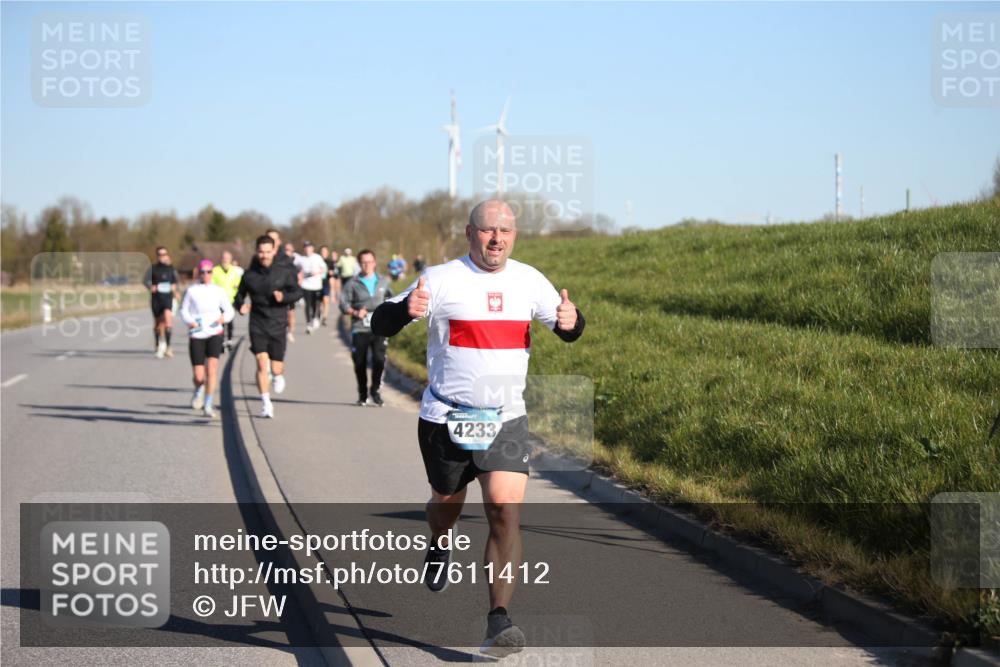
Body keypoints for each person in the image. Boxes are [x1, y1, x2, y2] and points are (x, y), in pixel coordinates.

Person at [371, 199, 585, 658]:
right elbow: (379, 321)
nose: (496, 240)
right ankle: (440, 539)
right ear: (469, 233)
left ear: (515, 235)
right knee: (445, 505)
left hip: (505, 417)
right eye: (487, 231)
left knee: (504, 510)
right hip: (446, 416)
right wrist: (407, 309)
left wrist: (572, 322)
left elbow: (567, 327)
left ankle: (498, 620)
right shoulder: (441, 278)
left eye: (505, 231)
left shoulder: (529, 280)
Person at [234, 235, 303, 418]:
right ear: (256, 252)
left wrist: (284, 298)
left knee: (276, 367)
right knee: (261, 363)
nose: (264, 256)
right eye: (261, 252)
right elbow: (239, 296)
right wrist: (240, 306)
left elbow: (297, 292)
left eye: (267, 252)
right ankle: (266, 403)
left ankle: (278, 375)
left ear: (273, 251)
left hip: (278, 323)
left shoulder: (284, 272)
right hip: (258, 323)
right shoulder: (249, 275)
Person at [180, 259, 235, 418]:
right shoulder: (192, 291)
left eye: (209, 271)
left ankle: (208, 404)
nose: (206, 274)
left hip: (215, 333)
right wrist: (189, 322)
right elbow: (184, 310)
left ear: (212, 273)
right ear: (198, 273)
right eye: (203, 271)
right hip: (197, 334)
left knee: (212, 369)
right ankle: (199, 389)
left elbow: (229, 311)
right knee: (199, 375)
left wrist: (222, 319)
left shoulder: (218, 291)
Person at [340, 249, 393, 406]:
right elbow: (343, 304)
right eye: (363, 262)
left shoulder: (384, 281)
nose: (367, 265)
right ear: (359, 264)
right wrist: (355, 311)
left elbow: (392, 300)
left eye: (370, 262)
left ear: (375, 263)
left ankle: (375, 391)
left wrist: (388, 313)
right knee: (359, 362)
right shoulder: (352, 283)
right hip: (359, 327)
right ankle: (362, 393)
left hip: (380, 328)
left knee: (379, 360)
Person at [143, 246, 182, 358]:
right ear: (157, 256)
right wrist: (151, 287)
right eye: (160, 254)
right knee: (158, 323)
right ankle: (157, 342)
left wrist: (175, 291)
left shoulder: (171, 269)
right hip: (156, 299)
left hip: (167, 298)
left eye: (164, 254)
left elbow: (175, 283)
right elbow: (145, 281)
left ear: (167, 255)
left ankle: (168, 347)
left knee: (168, 318)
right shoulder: (153, 268)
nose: (162, 256)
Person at [211, 250, 243, 350]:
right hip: (218, 300)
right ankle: (220, 341)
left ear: (230, 260)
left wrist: (237, 286)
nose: (225, 260)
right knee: (220, 322)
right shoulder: (215, 270)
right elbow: (211, 284)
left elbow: (239, 283)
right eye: (224, 258)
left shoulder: (234, 271)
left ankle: (229, 340)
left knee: (230, 321)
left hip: (230, 299)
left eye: (227, 259)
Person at [295, 241, 326, 333]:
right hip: (306, 285)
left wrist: (317, 272)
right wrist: (299, 277)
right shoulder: (301, 259)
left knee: (315, 304)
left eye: (309, 247)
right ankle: (308, 323)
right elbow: (296, 270)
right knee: (307, 305)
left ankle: (315, 318)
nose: (307, 249)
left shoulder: (318, 257)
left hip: (316, 285)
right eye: (306, 247)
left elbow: (323, 268)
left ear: (312, 249)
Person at [319, 245, 335, 325]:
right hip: (317, 283)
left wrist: (330, 272)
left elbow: (332, 275)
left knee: (326, 300)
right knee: (319, 301)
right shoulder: (317, 260)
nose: (323, 253)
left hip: (325, 282)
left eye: (325, 251)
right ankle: (320, 314)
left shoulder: (330, 261)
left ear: (327, 253)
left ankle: (325, 317)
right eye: (322, 251)